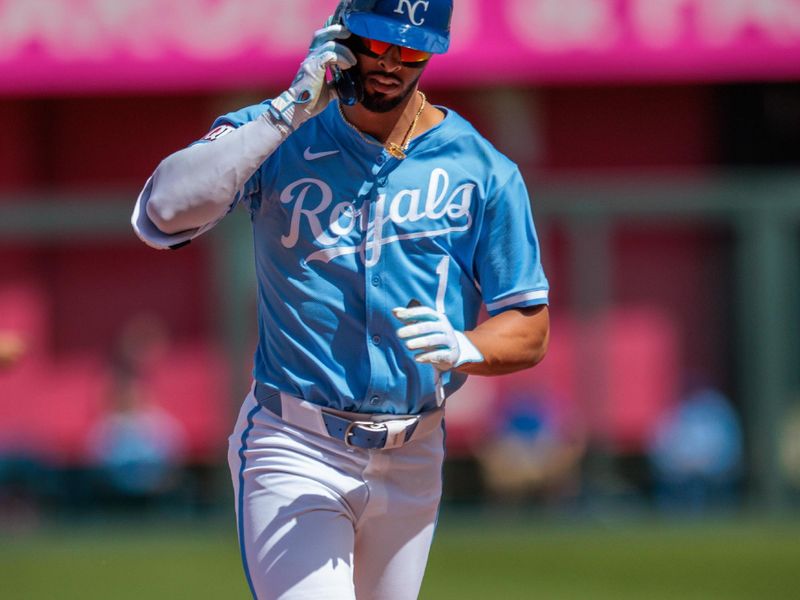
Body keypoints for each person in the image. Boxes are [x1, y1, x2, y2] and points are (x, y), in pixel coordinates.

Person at [131, 1, 550, 598]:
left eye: (410, 50)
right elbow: (163, 213)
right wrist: (289, 108)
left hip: (416, 450)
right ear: (343, 34)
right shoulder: (282, 128)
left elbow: (529, 325)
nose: (389, 62)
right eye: (377, 43)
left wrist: (468, 346)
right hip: (295, 441)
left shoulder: (482, 168)